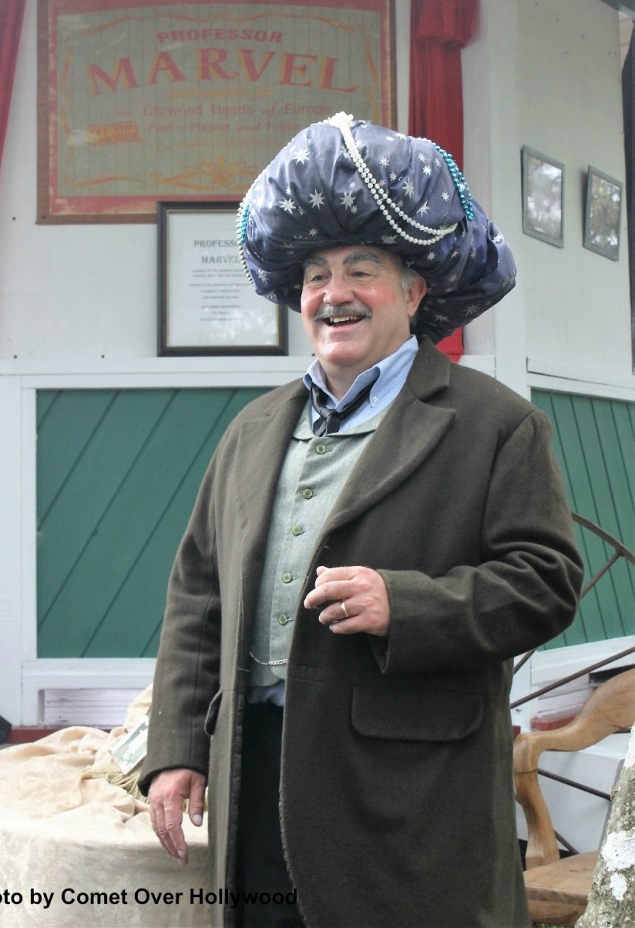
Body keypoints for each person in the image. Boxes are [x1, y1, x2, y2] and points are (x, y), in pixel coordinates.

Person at [139, 113, 583, 928]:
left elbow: (546, 583)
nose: (332, 293)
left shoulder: (496, 424)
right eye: (315, 275)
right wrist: (175, 748)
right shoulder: (252, 430)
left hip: (412, 796)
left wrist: (404, 604)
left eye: (361, 270)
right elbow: (198, 596)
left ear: (414, 292)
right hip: (254, 774)